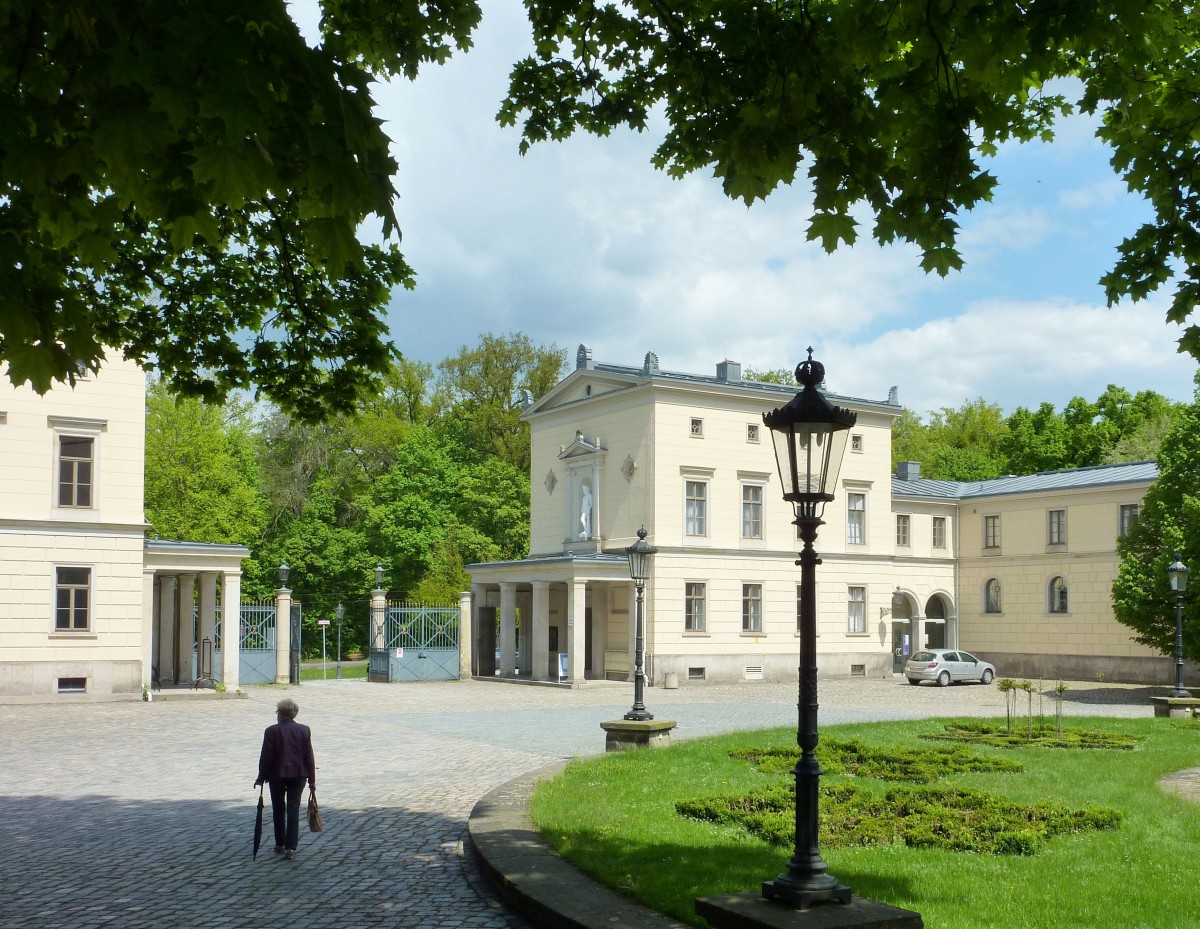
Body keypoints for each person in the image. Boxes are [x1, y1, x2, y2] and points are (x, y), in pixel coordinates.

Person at [255, 697, 316, 861]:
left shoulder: (271, 731)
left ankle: (280, 843)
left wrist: (261, 777)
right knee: (293, 809)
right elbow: (309, 756)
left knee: (278, 808)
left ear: (279, 714)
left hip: (277, 775)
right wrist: (312, 780)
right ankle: (291, 848)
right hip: (299, 775)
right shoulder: (304, 730)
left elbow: (266, 757)